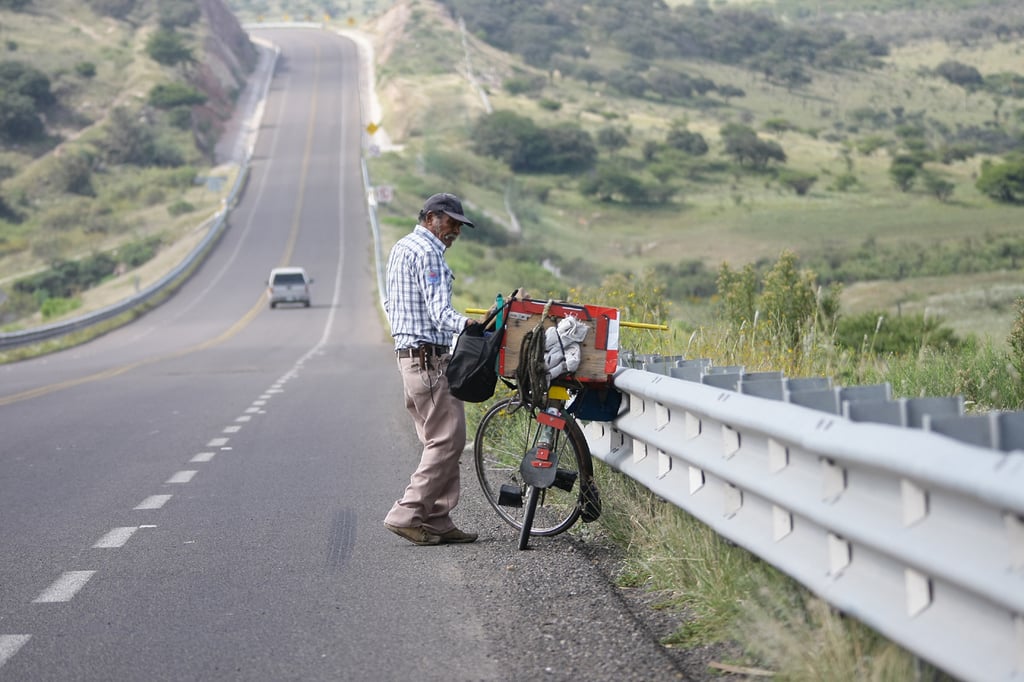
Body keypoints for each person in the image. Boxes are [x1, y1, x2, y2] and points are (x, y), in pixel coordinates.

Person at [382, 192, 481, 546]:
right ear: (431, 218)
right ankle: (406, 513)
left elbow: (390, 303)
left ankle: (437, 518)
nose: (455, 230)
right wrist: (468, 324)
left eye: (459, 225)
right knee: (448, 439)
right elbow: (440, 311)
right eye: (451, 222)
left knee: (437, 441)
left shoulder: (401, 248)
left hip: (410, 359)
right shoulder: (429, 252)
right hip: (430, 360)